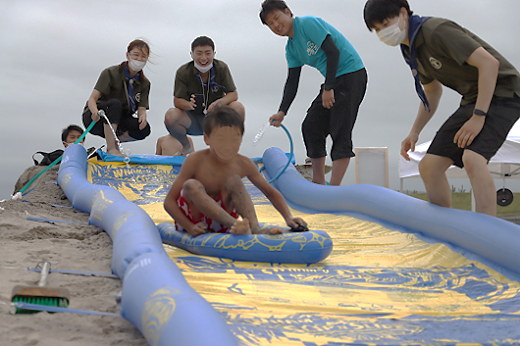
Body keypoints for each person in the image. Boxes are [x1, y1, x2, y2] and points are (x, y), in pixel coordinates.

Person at [363, 0, 520, 216]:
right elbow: (432, 92)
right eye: (377, 30)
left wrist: (478, 116)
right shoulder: (410, 50)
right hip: (473, 98)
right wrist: (414, 131)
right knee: (429, 166)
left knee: (472, 158)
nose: (383, 33)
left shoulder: (436, 31)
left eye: (385, 24)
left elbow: (489, 64)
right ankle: (447, 229)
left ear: (403, 13)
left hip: (505, 92)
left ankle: (489, 232)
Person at [259, 0, 367, 186]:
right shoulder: (291, 49)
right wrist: (282, 111)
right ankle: (318, 181)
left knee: (340, 130)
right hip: (332, 81)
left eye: (277, 18)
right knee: (311, 126)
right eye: (270, 24)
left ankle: (334, 188)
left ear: (288, 11)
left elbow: (333, 52)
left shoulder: (307, 24)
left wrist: (328, 88)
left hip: (351, 74)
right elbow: (292, 81)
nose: (276, 25)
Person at [163, 105, 307, 236]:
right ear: (207, 138)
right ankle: (238, 225)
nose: (227, 146)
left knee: (234, 180)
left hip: (222, 225)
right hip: (195, 223)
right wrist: (188, 226)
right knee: (190, 185)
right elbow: (169, 201)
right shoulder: (195, 161)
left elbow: (270, 192)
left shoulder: (243, 164)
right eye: (220, 139)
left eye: (234, 139)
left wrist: (289, 217)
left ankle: (253, 227)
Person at [164, 36, 245, 156]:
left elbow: (233, 94)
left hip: (216, 120)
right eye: (199, 53)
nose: (203, 58)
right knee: (171, 115)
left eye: (208, 53)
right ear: (191, 54)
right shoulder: (183, 71)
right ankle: (186, 146)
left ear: (214, 53)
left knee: (238, 107)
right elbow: (177, 101)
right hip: (193, 121)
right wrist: (189, 104)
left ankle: (229, 145)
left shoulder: (221, 68)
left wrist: (219, 103)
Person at [82, 39, 152, 157]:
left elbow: (142, 108)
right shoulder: (110, 73)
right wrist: (94, 112)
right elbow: (92, 99)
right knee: (115, 104)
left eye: (143, 56)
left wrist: (143, 116)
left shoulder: (144, 83)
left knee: (144, 129)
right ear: (128, 55)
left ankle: (115, 141)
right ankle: (111, 148)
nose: (139, 59)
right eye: (136, 55)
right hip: (97, 118)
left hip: (119, 120)